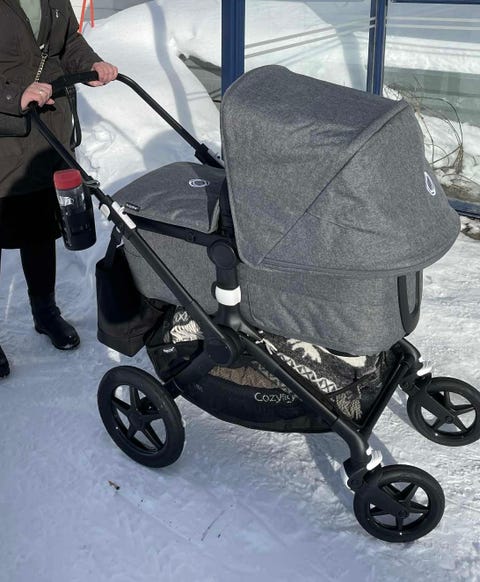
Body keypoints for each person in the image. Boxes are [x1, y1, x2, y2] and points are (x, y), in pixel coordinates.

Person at [0, 0, 118, 377]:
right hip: (4, 138)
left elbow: (68, 41)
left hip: (48, 131)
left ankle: (45, 312)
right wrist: (13, 96)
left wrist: (91, 64)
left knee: (39, 229)